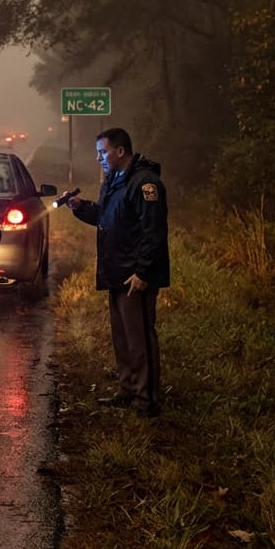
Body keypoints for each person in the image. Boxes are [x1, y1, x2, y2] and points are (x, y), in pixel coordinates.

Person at [66, 127, 169, 417]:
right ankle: (128, 390)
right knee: (122, 337)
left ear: (120, 151)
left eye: (103, 152)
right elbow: (106, 216)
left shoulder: (145, 183)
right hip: (116, 272)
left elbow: (153, 232)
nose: (98, 158)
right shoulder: (115, 180)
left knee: (140, 339)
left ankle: (146, 400)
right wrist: (80, 207)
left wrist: (143, 273)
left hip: (134, 276)